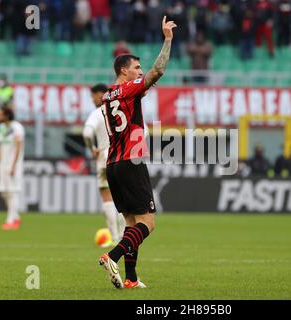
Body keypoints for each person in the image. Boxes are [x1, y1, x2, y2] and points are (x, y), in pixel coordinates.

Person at [98, 16, 177, 290]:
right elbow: (157, 73)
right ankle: (113, 256)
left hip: (113, 164)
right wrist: (167, 40)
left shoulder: (107, 95)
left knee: (132, 224)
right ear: (124, 71)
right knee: (148, 223)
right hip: (131, 162)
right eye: (136, 67)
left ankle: (131, 278)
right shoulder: (128, 90)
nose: (141, 71)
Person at [83, 84, 125, 246]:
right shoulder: (119, 110)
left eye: (93, 96)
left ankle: (113, 237)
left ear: (100, 95)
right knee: (122, 198)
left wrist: (92, 148)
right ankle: (123, 237)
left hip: (104, 158)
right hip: (121, 158)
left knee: (107, 197)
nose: (92, 100)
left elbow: (87, 132)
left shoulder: (98, 112)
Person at [0, 107, 25, 230]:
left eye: (1, 114)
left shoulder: (17, 128)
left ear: (7, 115)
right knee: (4, 192)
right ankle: (16, 216)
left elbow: (18, 147)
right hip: (3, 164)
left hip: (13, 164)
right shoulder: (1, 128)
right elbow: (0, 146)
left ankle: (11, 220)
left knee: (12, 192)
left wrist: (13, 165)